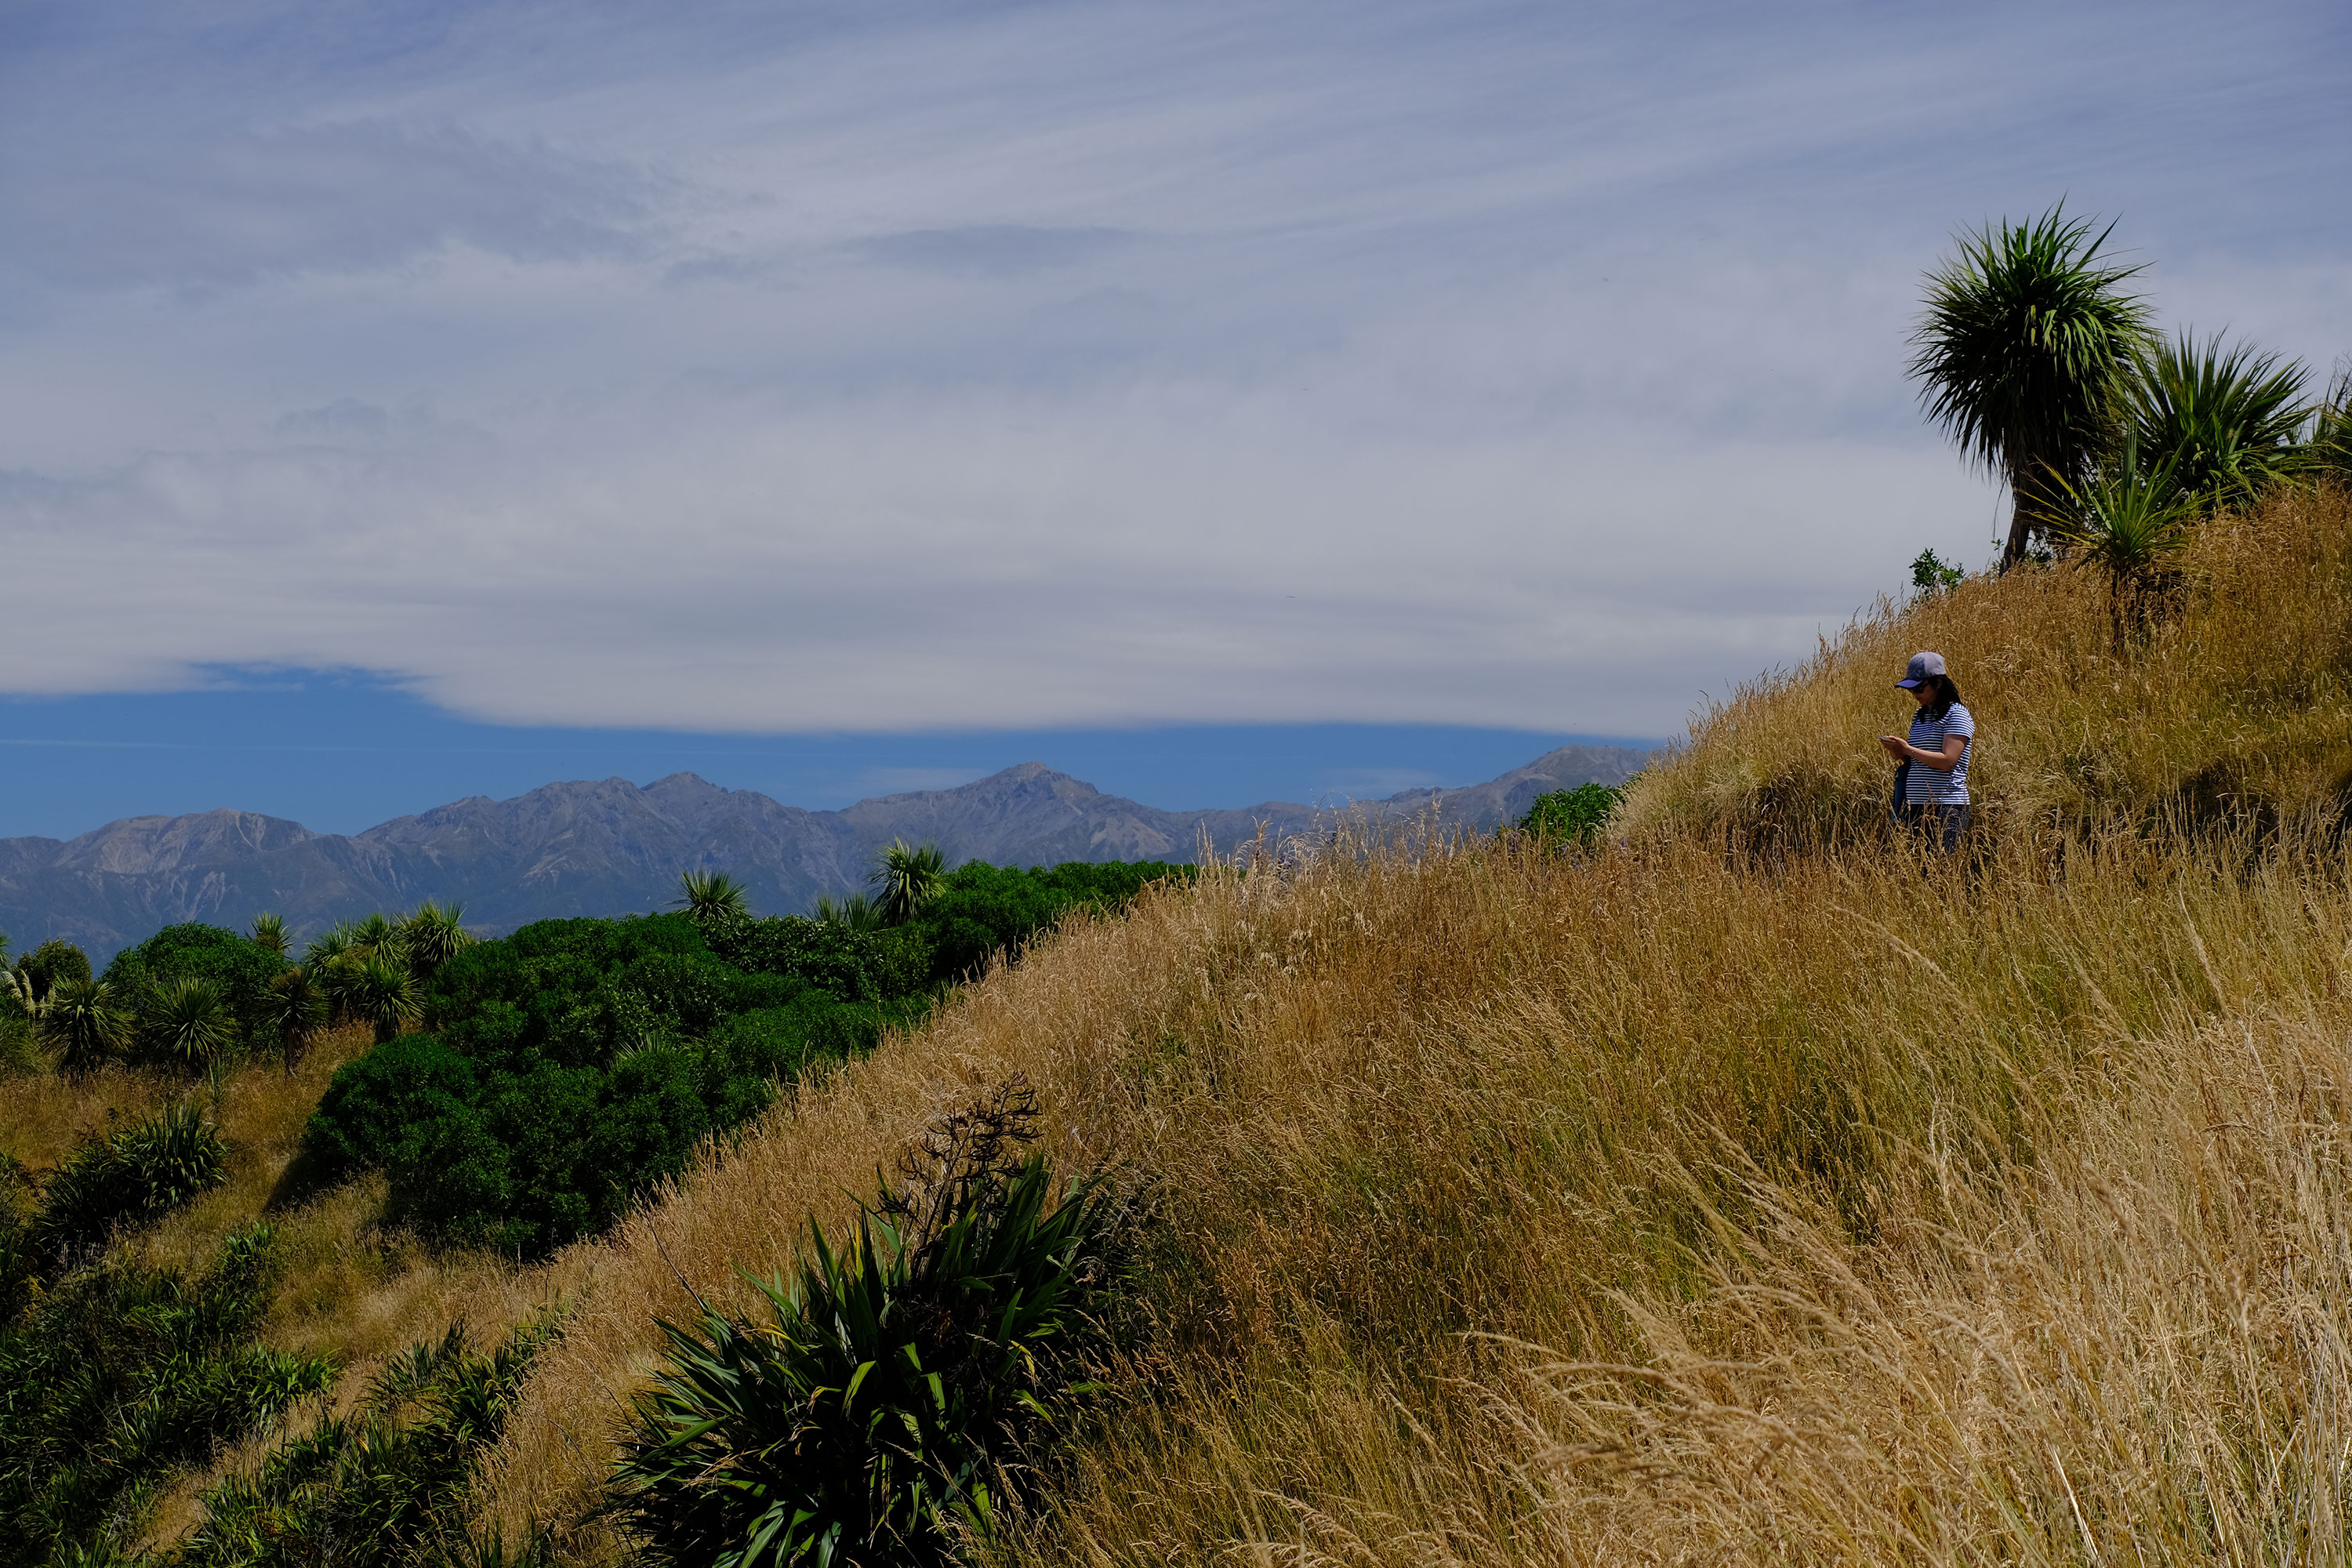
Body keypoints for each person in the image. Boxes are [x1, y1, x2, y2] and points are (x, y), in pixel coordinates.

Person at [1878, 651, 1973, 852]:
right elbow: (1916, 758)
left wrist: (1908, 749)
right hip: (1916, 805)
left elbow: (1948, 761)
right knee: (1921, 871)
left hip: (1947, 806)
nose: (1915, 694)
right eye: (1911, 689)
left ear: (1938, 683)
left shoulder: (1956, 714)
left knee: (1941, 869)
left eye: (1920, 688)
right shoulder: (1920, 716)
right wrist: (1899, 752)